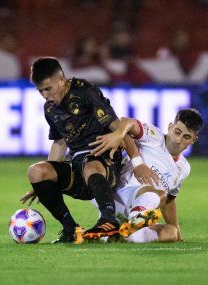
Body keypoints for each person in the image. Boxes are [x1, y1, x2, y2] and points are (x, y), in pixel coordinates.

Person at [20, 57, 157, 243]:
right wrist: (44, 183)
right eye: (40, 91)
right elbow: (60, 143)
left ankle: (109, 221)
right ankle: (71, 229)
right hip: (77, 167)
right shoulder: (50, 109)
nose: (45, 95)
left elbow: (117, 127)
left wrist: (137, 161)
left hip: (104, 163)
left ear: (61, 78)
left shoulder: (85, 92)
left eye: (48, 88)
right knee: (36, 171)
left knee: (90, 164)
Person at [89, 108, 203, 242]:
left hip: (142, 209)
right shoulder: (154, 137)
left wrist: (179, 236)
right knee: (159, 194)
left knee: (171, 232)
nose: (178, 140)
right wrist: (138, 162)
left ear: (194, 140)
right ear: (170, 126)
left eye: (186, 137)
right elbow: (125, 122)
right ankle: (132, 223)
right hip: (117, 197)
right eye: (177, 132)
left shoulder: (184, 168)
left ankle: (122, 235)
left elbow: (169, 202)